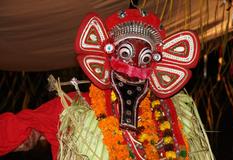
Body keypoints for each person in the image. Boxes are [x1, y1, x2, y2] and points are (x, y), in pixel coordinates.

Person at [0, 9, 214, 160]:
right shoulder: (73, 109)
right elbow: (13, 130)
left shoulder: (176, 115)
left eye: (145, 59)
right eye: (125, 54)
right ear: (104, 58)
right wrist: (31, 135)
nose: (133, 69)